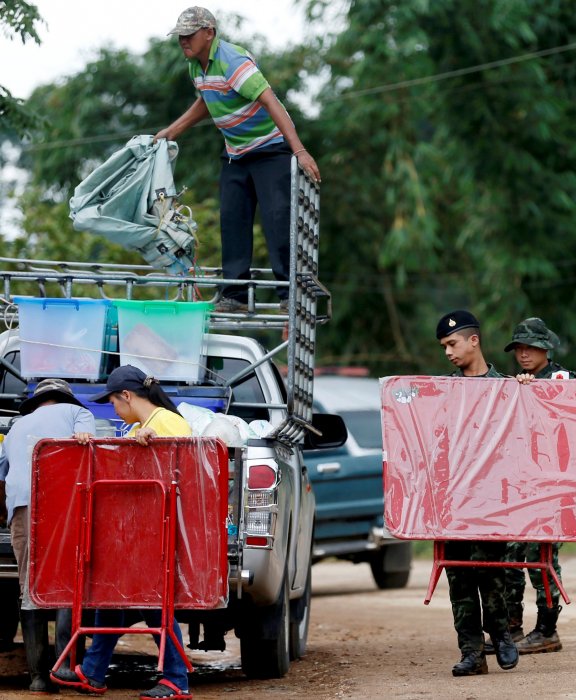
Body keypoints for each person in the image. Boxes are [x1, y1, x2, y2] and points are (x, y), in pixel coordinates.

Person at [153, 7, 321, 312]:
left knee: (277, 218)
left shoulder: (232, 61)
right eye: (180, 36)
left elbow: (270, 100)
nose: (183, 42)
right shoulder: (196, 66)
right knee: (232, 220)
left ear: (209, 33)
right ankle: (235, 296)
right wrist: (174, 130)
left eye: (189, 35)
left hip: (271, 150)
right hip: (236, 154)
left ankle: (290, 294)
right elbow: (207, 99)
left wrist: (298, 150)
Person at [52, 365, 195, 699]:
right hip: (139, 531)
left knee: (153, 602)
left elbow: (179, 467)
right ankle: (92, 672)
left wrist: (154, 442)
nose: (114, 410)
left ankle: (176, 678)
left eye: (115, 402)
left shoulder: (166, 423)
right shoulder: (139, 428)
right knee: (112, 596)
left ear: (127, 396)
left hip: (156, 531)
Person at [435, 310, 518, 677]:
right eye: (443, 347)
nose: (448, 352)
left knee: (491, 572)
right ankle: (471, 652)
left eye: (452, 344)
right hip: (453, 500)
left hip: (491, 499)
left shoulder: (509, 387)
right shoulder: (444, 393)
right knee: (459, 577)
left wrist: (529, 391)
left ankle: (500, 633)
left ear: (474, 340)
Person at [0, 378, 95, 693]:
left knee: (31, 586)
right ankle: (64, 667)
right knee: (67, 583)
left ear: (38, 402)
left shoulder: (15, 426)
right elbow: (92, 451)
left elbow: (2, 473)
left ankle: (38, 678)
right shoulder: (78, 414)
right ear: (65, 398)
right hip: (62, 506)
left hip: (23, 509)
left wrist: (8, 513)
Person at [499, 318, 575, 655]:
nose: (524, 354)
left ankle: (547, 629)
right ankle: (513, 628)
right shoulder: (515, 383)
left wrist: (535, 390)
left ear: (547, 349)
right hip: (519, 487)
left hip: (552, 485)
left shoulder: (563, 379)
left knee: (540, 555)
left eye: (531, 347)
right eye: (519, 347)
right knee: (512, 553)